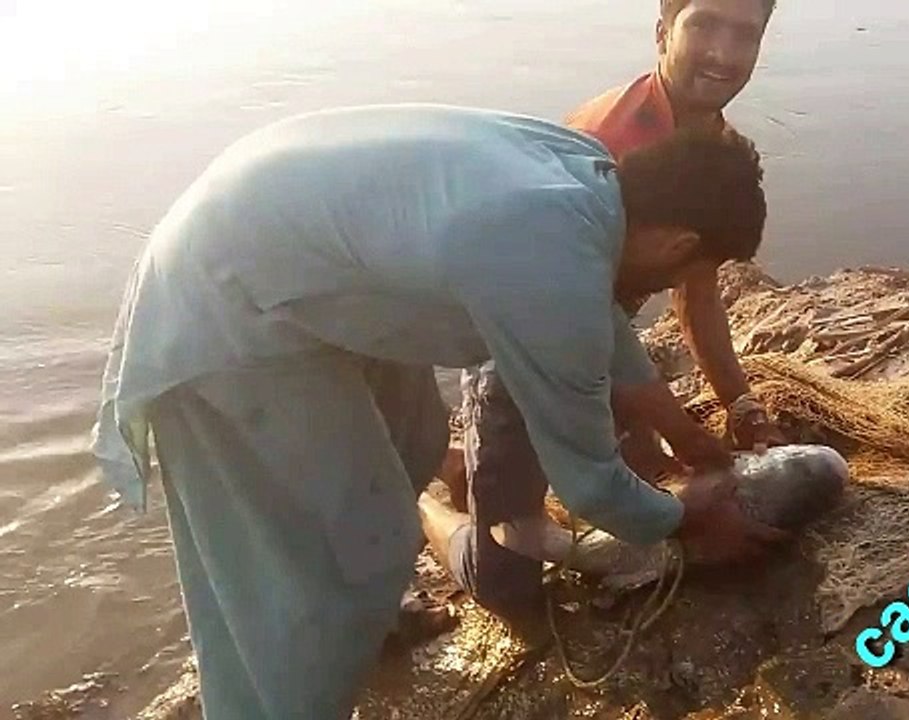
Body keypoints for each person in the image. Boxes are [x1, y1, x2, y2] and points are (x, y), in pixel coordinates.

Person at [90, 104, 786, 720]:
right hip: (228, 306)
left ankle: (372, 623)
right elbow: (591, 486)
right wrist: (690, 518)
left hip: (289, 245)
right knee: (311, 571)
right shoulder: (550, 259)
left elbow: (591, 309)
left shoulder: (588, 179)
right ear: (678, 245)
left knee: (415, 441)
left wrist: (680, 430)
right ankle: (294, 680)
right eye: (687, 275)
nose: (673, 289)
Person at [430, 0, 785, 635]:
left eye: (744, 34)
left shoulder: (714, 146)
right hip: (520, 340)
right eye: (704, 24)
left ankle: (459, 461)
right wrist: (661, 459)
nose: (724, 53)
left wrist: (740, 405)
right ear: (662, 31)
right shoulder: (609, 145)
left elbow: (696, 292)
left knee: (651, 488)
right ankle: (424, 492)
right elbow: (558, 318)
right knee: (507, 584)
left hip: (601, 334)